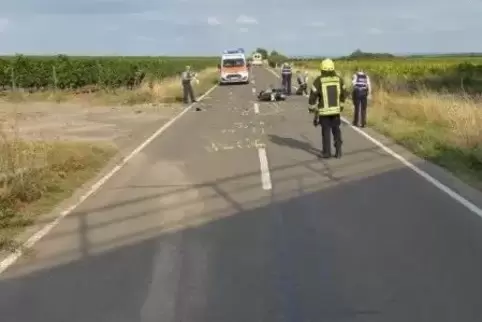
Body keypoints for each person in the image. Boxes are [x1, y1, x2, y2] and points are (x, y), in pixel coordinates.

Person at [308, 58, 346, 158]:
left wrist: (311, 108)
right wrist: (341, 106)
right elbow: (343, 94)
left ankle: (327, 153)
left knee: (326, 132)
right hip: (336, 111)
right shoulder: (339, 79)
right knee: (336, 130)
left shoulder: (319, 80)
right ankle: (338, 151)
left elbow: (313, 95)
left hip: (324, 112)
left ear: (322, 69)